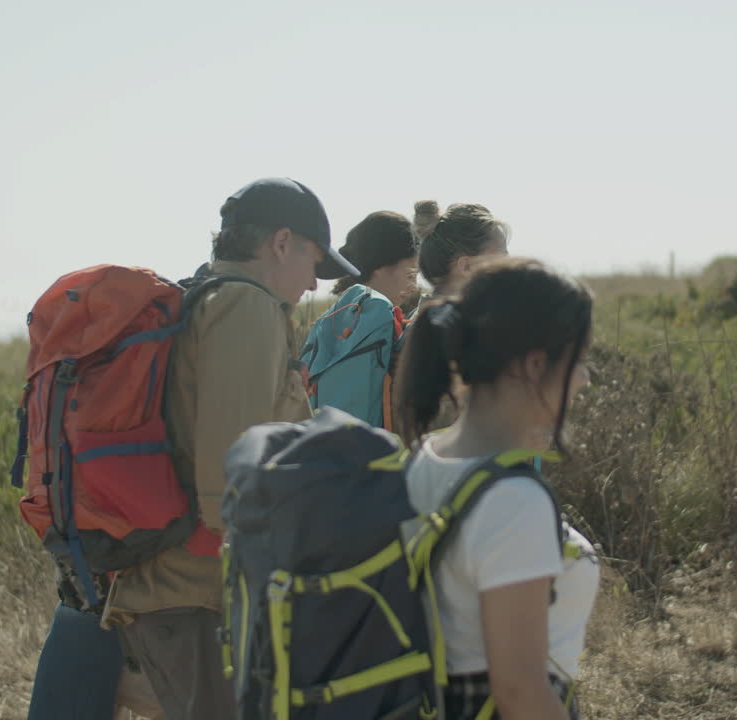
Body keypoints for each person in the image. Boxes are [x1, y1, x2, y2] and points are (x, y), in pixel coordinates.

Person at [101, 177, 358, 720]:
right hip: (200, 597)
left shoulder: (210, 298)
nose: (314, 284)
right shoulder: (245, 308)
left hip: (190, 593)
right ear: (282, 243)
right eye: (315, 261)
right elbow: (230, 489)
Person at [397, 257, 600, 719]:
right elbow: (519, 691)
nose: (585, 379)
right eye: (579, 360)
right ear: (534, 364)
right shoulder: (513, 501)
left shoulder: (423, 458)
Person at [301, 210, 419, 429]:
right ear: (383, 265)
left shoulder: (332, 318)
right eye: (411, 274)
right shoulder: (381, 317)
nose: (413, 286)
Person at [412, 201, 509, 313]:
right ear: (467, 266)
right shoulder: (456, 326)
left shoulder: (429, 319)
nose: (512, 265)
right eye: (502, 258)